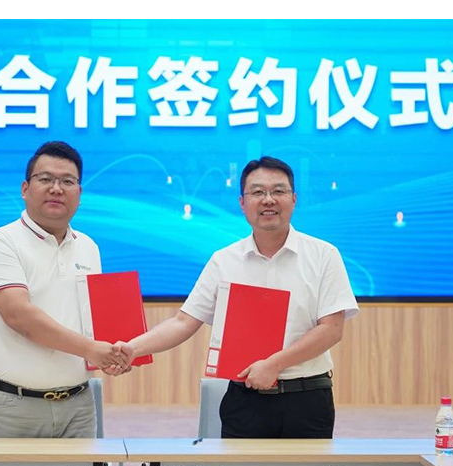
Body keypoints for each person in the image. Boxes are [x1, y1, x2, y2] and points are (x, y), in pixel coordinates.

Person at [122, 156, 358, 440]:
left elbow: (331, 329)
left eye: (278, 191)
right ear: (242, 203)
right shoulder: (224, 261)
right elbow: (184, 322)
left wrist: (274, 364)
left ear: (294, 199)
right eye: (257, 192)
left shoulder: (324, 255)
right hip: (245, 400)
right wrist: (131, 349)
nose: (268, 200)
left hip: (307, 398)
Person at [0, 141, 128, 439]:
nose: (56, 189)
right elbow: (20, 317)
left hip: (78, 404)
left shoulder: (88, 247)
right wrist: (92, 350)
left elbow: (92, 321)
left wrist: (114, 353)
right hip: (13, 406)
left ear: (79, 194)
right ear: (25, 189)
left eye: (67, 181)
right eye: (45, 179)